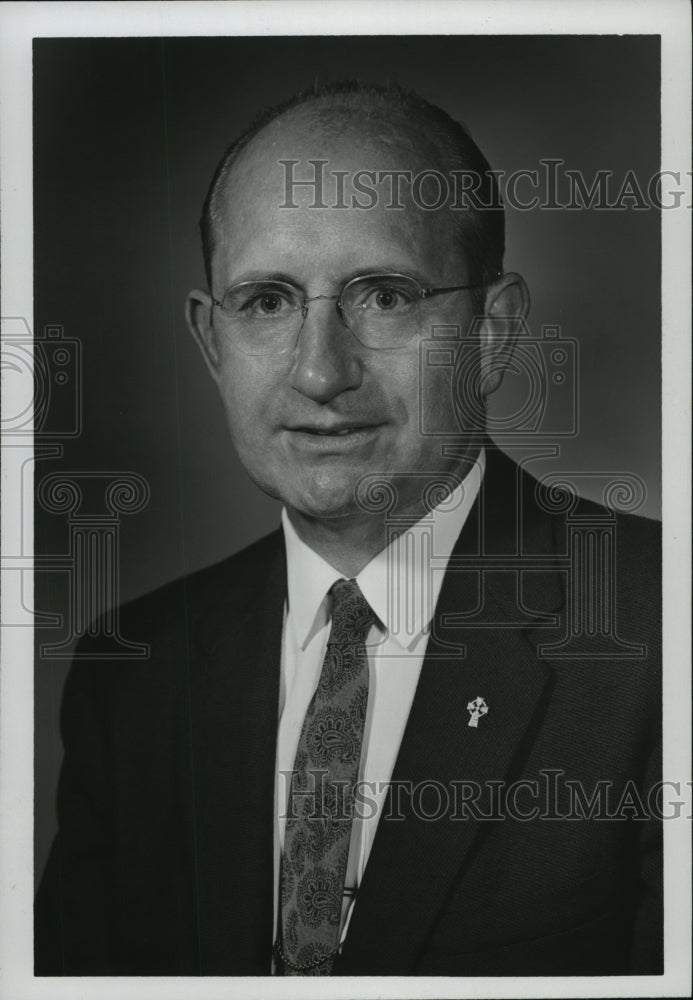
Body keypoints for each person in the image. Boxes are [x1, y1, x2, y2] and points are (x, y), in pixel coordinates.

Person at [35, 81, 662, 977]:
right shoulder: (133, 672)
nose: (321, 372)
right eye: (265, 303)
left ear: (492, 331)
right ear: (212, 345)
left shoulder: (657, 632)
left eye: (382, 296)